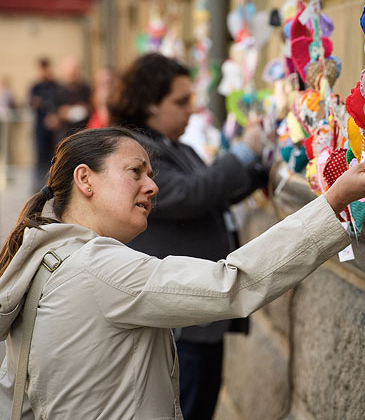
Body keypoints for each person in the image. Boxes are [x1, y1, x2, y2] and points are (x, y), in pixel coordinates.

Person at [0, 126, 365, 418]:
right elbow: (230, 285)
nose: (152, 186)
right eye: (135, 172)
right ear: (85, 179)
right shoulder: (96, 267)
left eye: (150, 173)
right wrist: (333, 202)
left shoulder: (44, 258)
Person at [108, 53, 268, 419]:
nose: (191, 110)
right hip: (181, 326)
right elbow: (189, 194)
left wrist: (258, 169)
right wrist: (243, 152)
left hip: (199, 317)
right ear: (149, 104)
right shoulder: (137, 151)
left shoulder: (176, 146)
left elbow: (214, 196)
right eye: (180, 102)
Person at [28, 58, 59, 191]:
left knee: (53, 157)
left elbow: (57, 103)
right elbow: (33, 103)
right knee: (40, 157)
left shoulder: (55, 86)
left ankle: (52, 184)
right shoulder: (36, 86)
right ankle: (37, 187)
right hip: (40, 128)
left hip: (54, 129)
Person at [51, 56, 92, 143]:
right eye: (70, 70)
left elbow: (93, 107)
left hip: (83, 132)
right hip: (64, 133)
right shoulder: (57, 91)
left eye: (75, 70)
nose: (73, 73)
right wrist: (62, 113)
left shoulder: (86, 89)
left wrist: (86, 109)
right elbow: (52, 115)